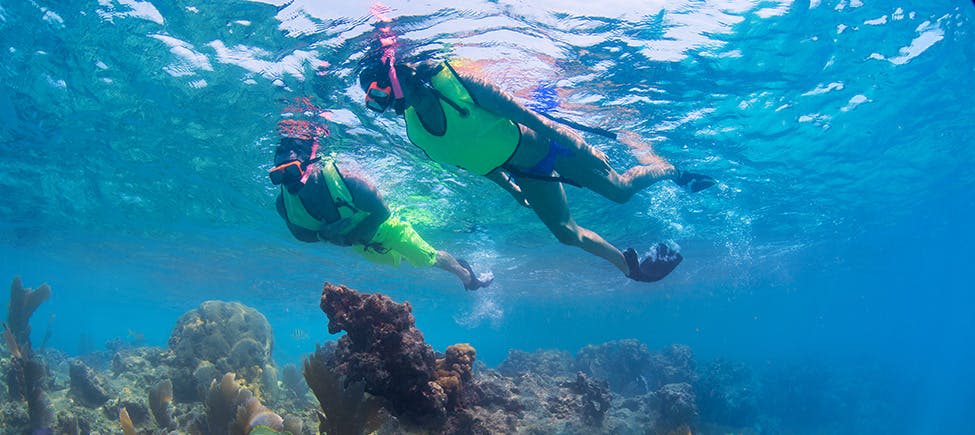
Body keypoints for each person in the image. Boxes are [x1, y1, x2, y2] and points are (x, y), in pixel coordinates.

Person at [356, 52, 716, 283]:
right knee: (564, 233)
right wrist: (512, 190)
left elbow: (533, 118)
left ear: (398, 71)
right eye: (374, 99)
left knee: (619, 191)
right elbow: (477, 165)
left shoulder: (459, 84)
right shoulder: (419, 135)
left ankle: (670, 170)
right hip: (525, 173)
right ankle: (630, 266)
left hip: (550, 147)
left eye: (380, 87)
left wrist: (582, 146)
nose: (383, 101)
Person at [268, 103, 492, 290]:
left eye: (292, 170)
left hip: (386, 228)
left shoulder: (346, 179)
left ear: (311, 163)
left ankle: (467, 276)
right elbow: (302, 235)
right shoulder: (284, 204)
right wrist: (326, 236)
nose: (287, 181)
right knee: (402, 257)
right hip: (362, 244)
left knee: (427, 258)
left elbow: (382, 212)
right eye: (278, 175)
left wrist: (345, 237)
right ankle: (436, 260)